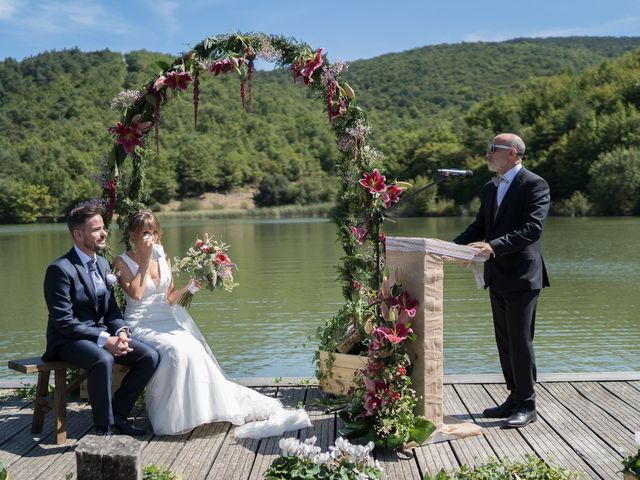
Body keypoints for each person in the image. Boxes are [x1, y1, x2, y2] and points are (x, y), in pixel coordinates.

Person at [113, 211, 311, 437]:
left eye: (155, 232)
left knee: (194, 347)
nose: (152, 238)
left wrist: (188, 288)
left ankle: (198, 411)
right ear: (133, 235)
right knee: (176, 350)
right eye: (146, 233)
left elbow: (168, 298)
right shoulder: (122, 260)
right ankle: (174, 417)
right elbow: (136, 294)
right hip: (141, 323)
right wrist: (146, 258)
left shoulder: (163, 256)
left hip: (166, 320)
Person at [453, 133, 550, 429]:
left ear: (512, 153)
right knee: (505, 342)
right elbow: (479, 226)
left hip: (523, 276)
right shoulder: (490, 187)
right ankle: (514, 397)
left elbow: (532, 229)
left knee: (521, 342)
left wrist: (493, 246)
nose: (487, 155)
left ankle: (527, 404)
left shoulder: (534, 184)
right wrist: (449, 248)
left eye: (492, 150)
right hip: (497, 276)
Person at [43, 203, 159, 436]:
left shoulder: (103, 264)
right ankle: (102, 429)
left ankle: (118, 415)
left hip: (100, 334)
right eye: (96, 229)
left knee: (149, 356)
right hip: (66, 340)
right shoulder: (60, 270)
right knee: (102, 359)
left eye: (103, 228)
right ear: (78, 234)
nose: (104, 233)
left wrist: (122, 332)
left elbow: (111, 310)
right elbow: (64, 322)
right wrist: (105, 339)